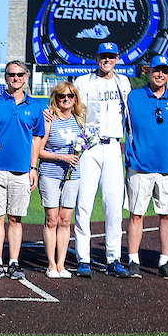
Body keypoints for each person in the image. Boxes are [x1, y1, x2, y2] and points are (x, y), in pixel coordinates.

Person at [123, 56, 168, 279]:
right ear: (147, 71)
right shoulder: (133, 96)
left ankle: (165, 261)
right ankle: (133, 259)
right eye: (156, 70)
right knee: (136, 215)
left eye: (164, 71)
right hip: (139, 167)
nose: (160, 74)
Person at [72, 41, 132, 278]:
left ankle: (113, 258)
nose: (107, 60)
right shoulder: (83, 82)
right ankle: (83, 258)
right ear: (96, 58)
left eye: (111, 56)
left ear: (117, 58)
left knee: (114, 206)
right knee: (84, 204)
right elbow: (69, 108)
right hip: (89, 146)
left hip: (114, 146)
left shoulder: (123, 82)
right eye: (103, 56)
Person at [0, 61, 43, 280]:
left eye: (19, 74)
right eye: (11, 74)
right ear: (5, 77)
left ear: (26, 76)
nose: (15, 78)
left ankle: (14, 262)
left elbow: (37, 139)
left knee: (16, 219)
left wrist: (33, 167)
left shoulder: (35, 106)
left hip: (21, 170)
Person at [34, 82, 85, 278]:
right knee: (52, 219)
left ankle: (62, 264)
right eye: (61, 96)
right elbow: (39, 150)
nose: (66, 99)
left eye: (70, 96)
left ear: (75, 99)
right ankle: (51, 264)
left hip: (73, 175)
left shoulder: (79, 119)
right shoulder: (49, 119)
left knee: (65, 220)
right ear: (55, 98)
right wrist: (62, 157)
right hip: (50, 172)